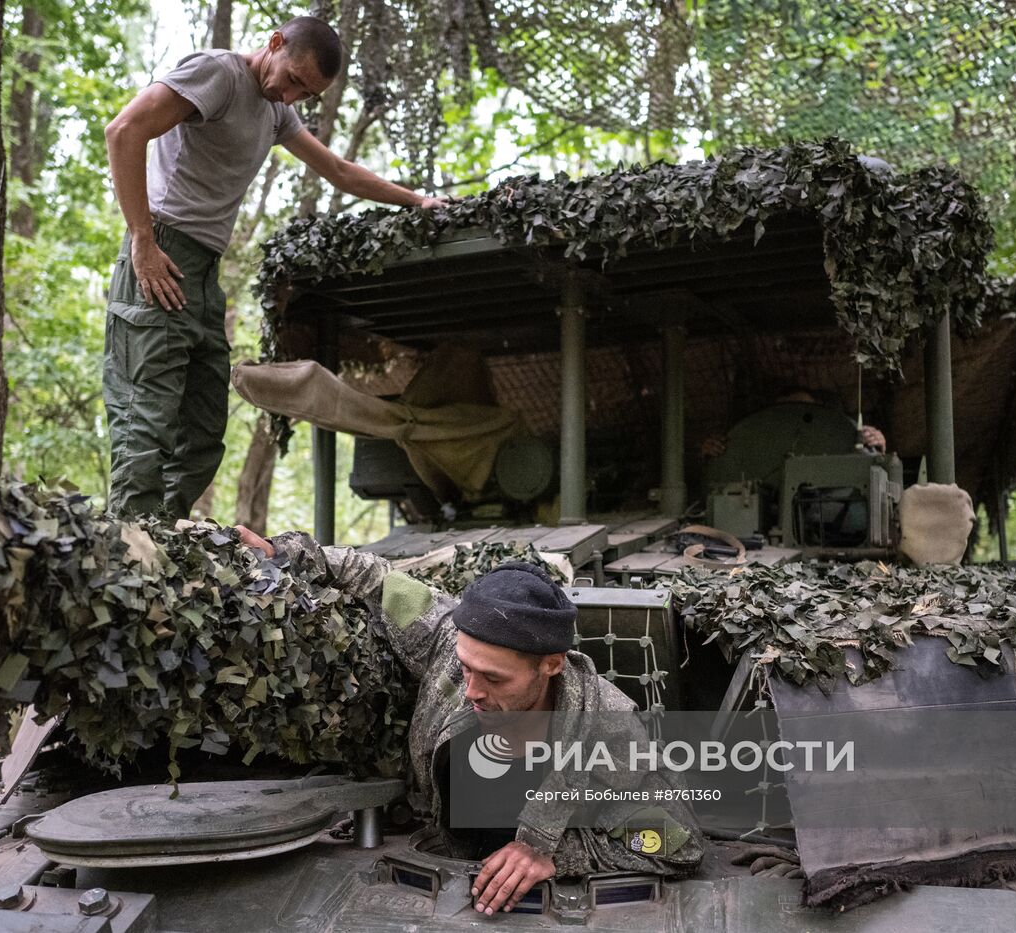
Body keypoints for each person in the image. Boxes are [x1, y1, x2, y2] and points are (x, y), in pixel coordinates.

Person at [236, 526, 705, 915]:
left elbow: (676, 843)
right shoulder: (450, 644)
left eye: (496, 679)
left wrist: (557, 853)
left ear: (551, 665)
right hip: (435, 865)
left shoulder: (610, 728)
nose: (473, 691)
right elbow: (378, 582)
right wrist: (284, 554)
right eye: (467, 668)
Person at [102, 17, 444, 518]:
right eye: (293, 79)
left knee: (202, 432)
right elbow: (125, 130)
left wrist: (417, 201)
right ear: (275, 44)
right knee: (146, 416)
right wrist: (142, 239)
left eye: (306, 94)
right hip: (159, 252)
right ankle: (125, 549)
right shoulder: (218, 73)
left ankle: (158, 540)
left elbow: (339, 171)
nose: (291, 96)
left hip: (203, 274)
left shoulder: (276, 112)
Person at [700, 386, 886, 458]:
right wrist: (711, 454)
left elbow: (869, 466)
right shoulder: (750, 444)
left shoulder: (844, 440)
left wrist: (878, 446)